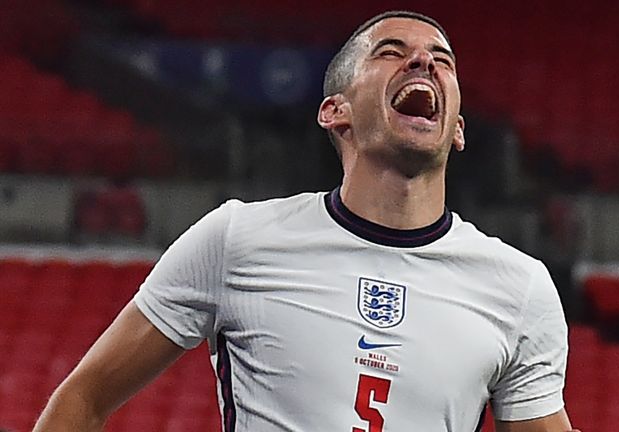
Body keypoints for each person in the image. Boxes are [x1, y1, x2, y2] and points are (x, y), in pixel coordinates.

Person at [34, 10, 580, 432]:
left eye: (442, 58)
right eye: (391, 52)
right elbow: (82, 400)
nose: (424, 63)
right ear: (334, 111)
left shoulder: (521, 287)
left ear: (457, 128)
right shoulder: (236, 240)